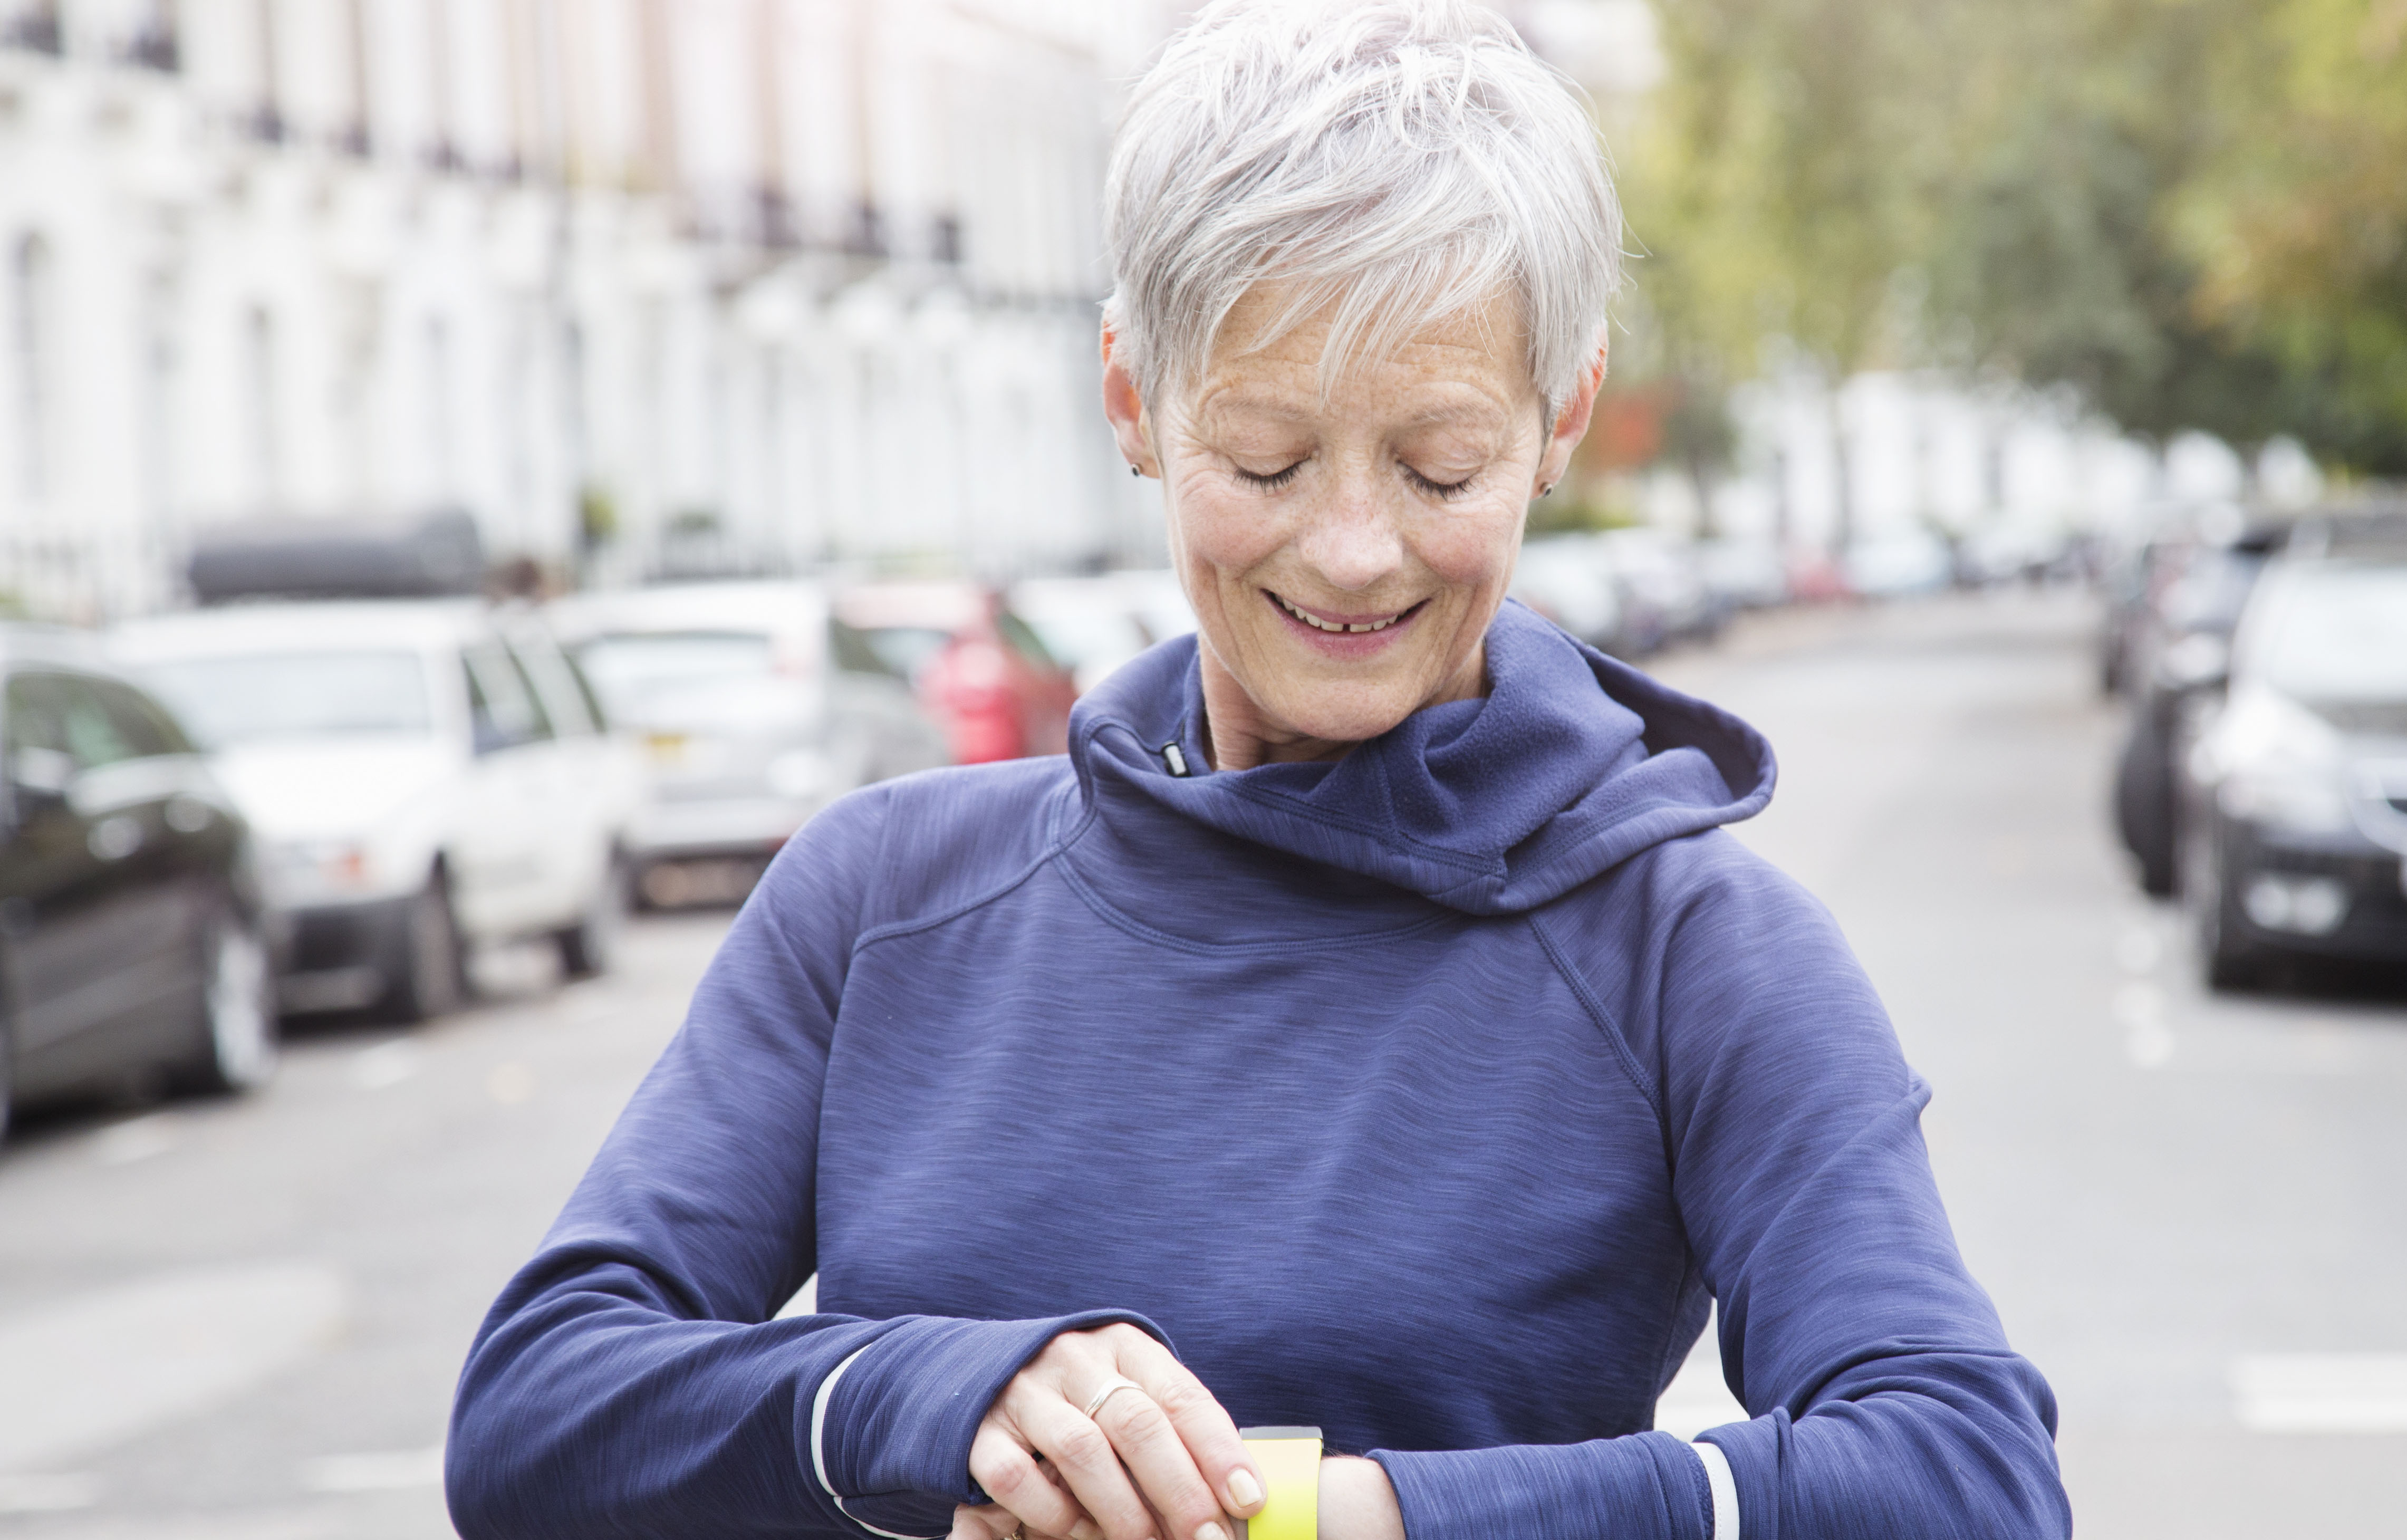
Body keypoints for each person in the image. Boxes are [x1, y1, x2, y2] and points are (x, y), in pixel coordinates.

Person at [446, 3, 2068, 1538]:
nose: (1352, 551)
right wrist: (934, 1392)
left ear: (1559, 420)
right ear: (1132, 400)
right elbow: (536, 1419)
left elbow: (1963, 1473)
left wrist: (1367, 1516)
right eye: (1266, 458)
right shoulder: (881, 899)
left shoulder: (1691, 946)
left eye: (1439, 464)